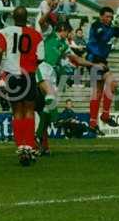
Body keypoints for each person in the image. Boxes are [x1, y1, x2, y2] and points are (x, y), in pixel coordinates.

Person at [35, 12, 103, 155]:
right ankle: (57, 120)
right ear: (63, 30)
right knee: (51, 97)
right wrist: (49, 11)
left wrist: (93, 64)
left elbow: (77, 60)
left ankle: (39, 133)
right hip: (43, 67)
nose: (69, 35)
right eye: (69, 32)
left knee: (48, 107)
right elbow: (41, 22)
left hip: (53, 73)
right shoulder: (50, 34)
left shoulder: (64, 45)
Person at [0, 6, 44, 166]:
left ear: (13, 17)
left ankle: (20, 145)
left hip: (11, 75)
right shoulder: (36, 35)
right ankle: (29, 145)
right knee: (29, 110)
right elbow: (41, 58)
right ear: (27, 17)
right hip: (28, 74)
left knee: (16, 111)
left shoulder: (4, 32)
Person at [86, 6, 119, 136]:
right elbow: (103, 37)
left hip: (102, 60)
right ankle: (103, 116)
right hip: (93, 59)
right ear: (101, 16)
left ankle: (93, 123)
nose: (109, 19)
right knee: (110, 84)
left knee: (100, 90)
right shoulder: (96, 25)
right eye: (107, 16)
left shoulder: (110, 26)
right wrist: (115, 25)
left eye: (111, 17)